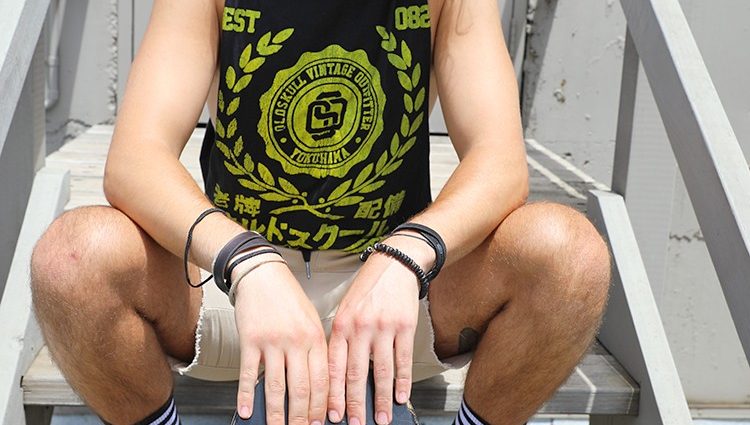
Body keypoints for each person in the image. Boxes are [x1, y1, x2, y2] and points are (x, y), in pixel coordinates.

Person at [29, 0, 611, 424]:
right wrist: (247, 262)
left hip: (392, 296)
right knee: (73, 259)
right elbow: (135, 160)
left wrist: (406, 257)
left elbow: (501, 162)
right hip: (235, 290)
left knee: (569, 255)